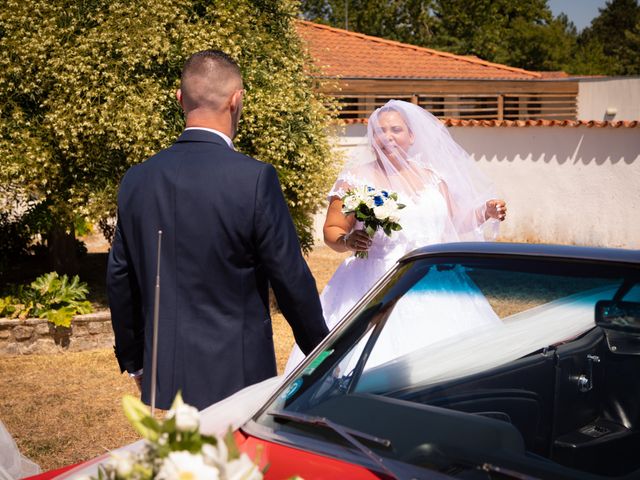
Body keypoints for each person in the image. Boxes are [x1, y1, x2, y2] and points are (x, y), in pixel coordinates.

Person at [107, 50, 328, 410]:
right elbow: (290, 279)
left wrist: (136, 362)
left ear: (180, 99)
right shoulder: (255, 178)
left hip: (163, 376)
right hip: (238, 378)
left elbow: (120, 278)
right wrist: (324, 354)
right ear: (236, 100)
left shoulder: (137, 179)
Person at [285, 99, 507, 373]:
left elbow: (455, 221)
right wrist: (347, 241)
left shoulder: (433, 177)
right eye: (380, 130)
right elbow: (332, 230)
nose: (387, 136)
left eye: (396, 130)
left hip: (435, 279)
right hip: (377, 280)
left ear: (412, 136)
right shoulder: (355, 180)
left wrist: (484, 211)